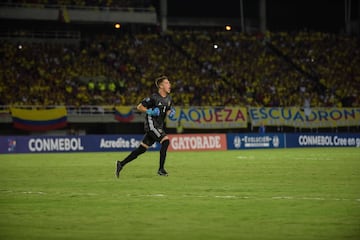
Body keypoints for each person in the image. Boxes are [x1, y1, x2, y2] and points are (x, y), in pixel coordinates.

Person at [116, 75, 175, 178]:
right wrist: (150, 111)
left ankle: (121, 164)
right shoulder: (153, 97)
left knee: (141, 149)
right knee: (165, 141)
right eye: (167, 83)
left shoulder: (169, 98)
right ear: (161, 86)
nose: (169, 84)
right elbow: (139, 107)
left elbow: (168, 109)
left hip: (159, 125)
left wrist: (171, 112)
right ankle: (161, 169)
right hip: (152, 125)